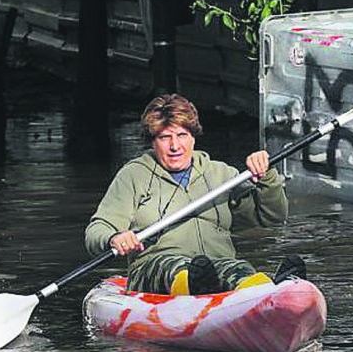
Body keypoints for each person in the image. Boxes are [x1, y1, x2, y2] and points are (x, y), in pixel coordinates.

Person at [84, 93, 303, 295]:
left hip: (216, 264)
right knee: (175, 268)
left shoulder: (221, 174)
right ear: (153, 141)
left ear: (193, 137)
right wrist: (114, 238)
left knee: (237, 268)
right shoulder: (134, 175)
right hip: (155, 270)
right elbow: (96, 230)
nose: (175, 146)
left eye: (182, 135)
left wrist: (267, 177)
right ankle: (197, 288)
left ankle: (271, 292)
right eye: (164, 137)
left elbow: (273, 216)